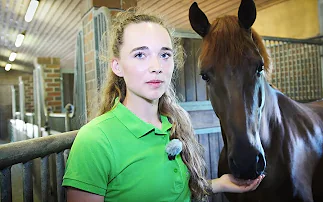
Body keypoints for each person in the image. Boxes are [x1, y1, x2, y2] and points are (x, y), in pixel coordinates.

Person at [62, 7, 265, 202]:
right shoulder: (95, 140)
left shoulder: (174, 124)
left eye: (165, 55)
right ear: (117, 66)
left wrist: (219, 184)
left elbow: (169, 191)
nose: (157, 67)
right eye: (140, 54)